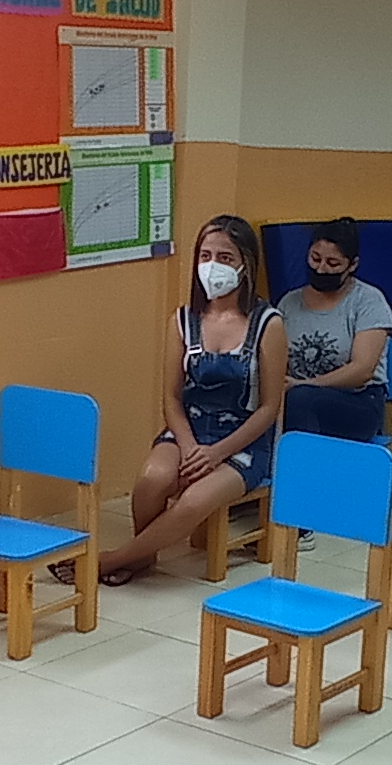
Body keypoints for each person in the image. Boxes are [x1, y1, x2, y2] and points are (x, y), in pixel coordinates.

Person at [76, 217, 287, 586]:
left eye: (225, 257)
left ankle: (115, 559)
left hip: (243, 441)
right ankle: (144, 554)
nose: (213, 266)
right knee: (151, 479)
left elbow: (270, 408)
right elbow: (171, 398)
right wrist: (190, 448)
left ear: (246, 264)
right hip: (188, 428)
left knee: (193, 500)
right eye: (205, 256)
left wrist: (216, 453)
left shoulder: (269, 324)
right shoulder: (182, 320)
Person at [279, 217, 392, 442]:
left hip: (358, 401)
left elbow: (362, 370)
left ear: (352, 265)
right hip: (296, 397)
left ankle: (306, 463)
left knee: (301, 400)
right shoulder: (289, 303)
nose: (321, 268)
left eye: (333, 264)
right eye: (315, 258)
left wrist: (306, 384)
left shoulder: (369, 301)